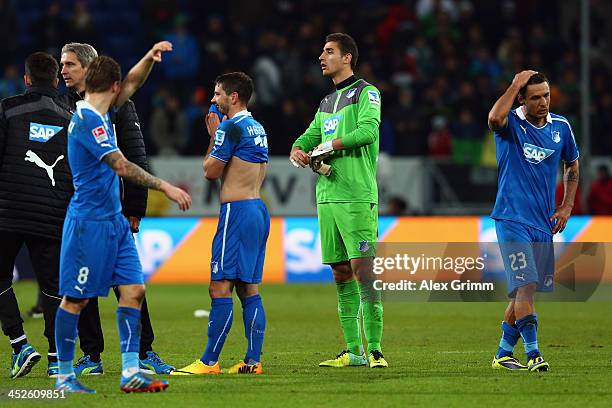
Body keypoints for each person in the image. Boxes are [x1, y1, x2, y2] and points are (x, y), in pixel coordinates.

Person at [54, 42, 192, 394]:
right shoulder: (86, 119)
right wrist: (167, 187)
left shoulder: (104, 109)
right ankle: (65, 376)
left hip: (114, 222)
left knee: (133, 290)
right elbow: (121, 165)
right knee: (76, 299)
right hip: (88, 223)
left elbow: (132, 80)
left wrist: (148, 57)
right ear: (113, 88)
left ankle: (131, 370)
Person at [289, 33, 387, 368]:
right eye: (322, 51)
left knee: (364, 272)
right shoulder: (326, 103)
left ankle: (375, 349)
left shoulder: (366, 93)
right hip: (327, 197)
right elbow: (308, 136)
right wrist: (299, 149)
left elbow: (367, 133)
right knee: (341, 273)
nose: (321, 56)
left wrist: (328, 147)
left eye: (329, 51)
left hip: (356, 196)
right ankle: (354, 352)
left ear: (347, 57)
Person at [172, 72, 269, 375]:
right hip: (258, 209)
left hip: (236, 213)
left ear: (233, 96)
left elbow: (210, 172)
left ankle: (208, 361)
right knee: (249, 289)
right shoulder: (257, 127)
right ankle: (253, 361)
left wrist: (214, 135)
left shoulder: (230, 127)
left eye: (217, 94)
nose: (213, 100)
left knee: (219, 287)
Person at [488, 71, 579, 372]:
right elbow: (492, 120)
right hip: (512, 217)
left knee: (523, 292)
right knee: (525, 286)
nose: (543, 102)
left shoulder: (562, 127)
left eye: (547, 95)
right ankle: (534, 354)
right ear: (523, 100)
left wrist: (566, 205)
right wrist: (513, 85)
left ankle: (502, 354)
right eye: (536, 97)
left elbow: (572, 164)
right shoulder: (511, 123)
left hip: (543, 223)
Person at [0, 52, 71, 379]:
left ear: (26, 79)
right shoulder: (70, 119)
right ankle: (57, 357)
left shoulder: (8, 109)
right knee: (54, 287)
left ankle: (20, 345)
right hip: (53, 214)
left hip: (8, 212)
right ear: (55, 81)